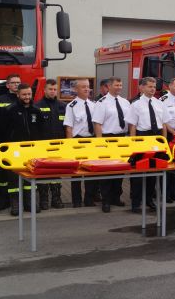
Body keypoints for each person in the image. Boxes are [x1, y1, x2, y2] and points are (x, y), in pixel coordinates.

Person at [1, 83, 44, 216]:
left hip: (32, 150)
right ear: (18, 95)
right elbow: (3, 131)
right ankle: (16, 204)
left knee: (30, 176)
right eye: (24, 94)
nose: (27, 97)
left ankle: (30, 202)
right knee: (14, 178)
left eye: (29, 94)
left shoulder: (36, 110)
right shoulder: (9, 110)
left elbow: (41, 131)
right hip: (15, 150)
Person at [127, 76, 166, 212]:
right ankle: (136, 202)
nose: (152, 89)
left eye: (154, 87)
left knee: (153, 171)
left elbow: (163, 124)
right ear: (142, 88)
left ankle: (149, 199)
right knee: (138, 172)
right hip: (142, 138)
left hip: (156, 138)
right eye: (150, 86)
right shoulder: (135, 105)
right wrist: (133, 144)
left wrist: (164, 143)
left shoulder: (160, 104)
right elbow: (132, 126)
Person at [93, 77, 132, 211]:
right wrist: (100, 143)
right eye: (116, 85)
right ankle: (106, 200)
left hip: (122, 138)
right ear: (109, 86)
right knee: (107, 171)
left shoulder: (125, 102)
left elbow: (130, 122)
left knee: (120, 170)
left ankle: (116, 197)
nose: (119, 87)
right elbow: (97, 123)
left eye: (120, 85)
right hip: (107, 139)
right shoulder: (102, 102)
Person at [63, 79, 98, 207]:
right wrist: (70, 146)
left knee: (91, 171)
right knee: (76, 172)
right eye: (83, 87)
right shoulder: (71, 106)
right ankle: (76, 201)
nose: (86, 89)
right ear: (76, 89)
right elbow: (69, 127)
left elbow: (97, 124)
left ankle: (89, 199)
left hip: (91, 140)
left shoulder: (94, 105)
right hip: (77, 141)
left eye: (88, 87)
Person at [35, 78, 66, 210]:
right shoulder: (37, 106)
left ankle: (56, 199)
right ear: (44, 90)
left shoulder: (63, 106)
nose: (53, 91)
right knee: (43, 173)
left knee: (56, 173)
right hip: (42, 146)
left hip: (58, 146)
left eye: (55, 89)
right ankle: (44, 200)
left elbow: (66, 127)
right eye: (50, 89)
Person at [0, 73, 21, 206]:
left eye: (18, 82)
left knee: (19, 171)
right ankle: (4, 199)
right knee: (3, 172)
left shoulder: (24, 98)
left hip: (20, 142)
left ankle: (20, 199)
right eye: (13, 83)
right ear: (7, 85)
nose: (16, 85)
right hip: (4, 142)